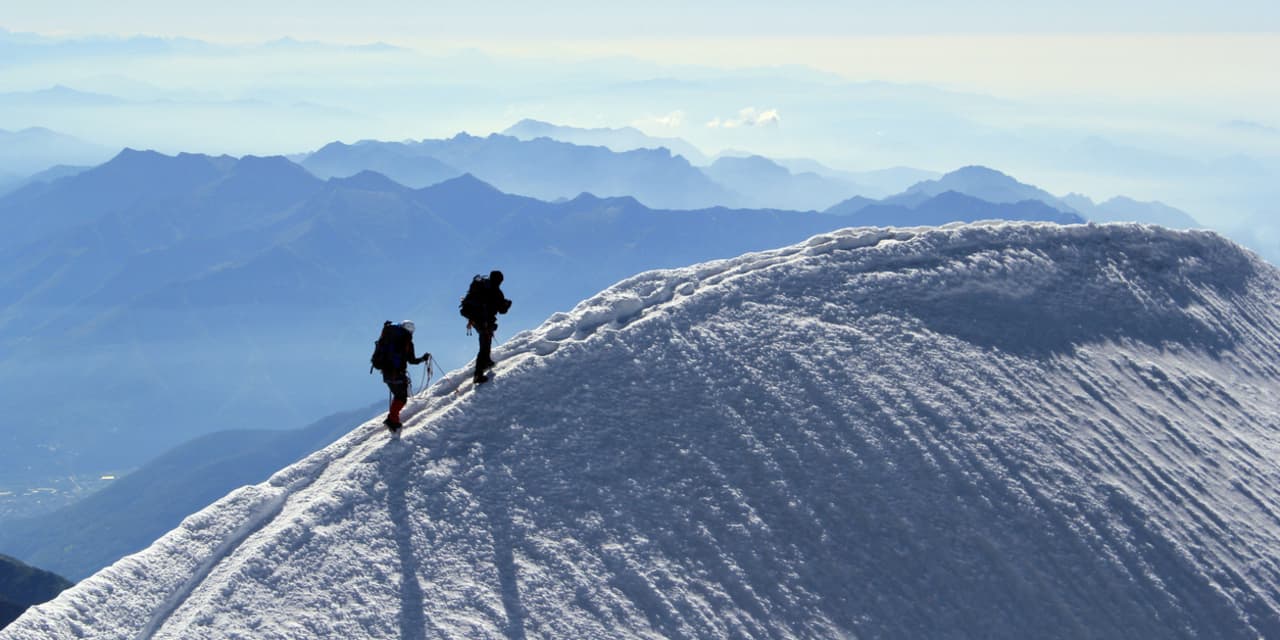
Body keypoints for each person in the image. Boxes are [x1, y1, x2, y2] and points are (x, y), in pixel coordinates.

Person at [379, 320, 429, 431]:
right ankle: (392, 421)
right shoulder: (407, 342)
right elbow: (412, 361)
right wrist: (423, 358)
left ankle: (391, 418)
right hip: (397, 374)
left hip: (386, 373)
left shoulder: (388, 338)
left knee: (398, 396)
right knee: (401, 398)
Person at [463, 270, 512, 384]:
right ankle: (478, 374)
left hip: (475, 318)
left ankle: (487, 361)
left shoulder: (482, 286)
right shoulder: (496, 291)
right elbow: (502, 310)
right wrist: (508, 304)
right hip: (484, 320)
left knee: (486, 339)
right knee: (484, 344)